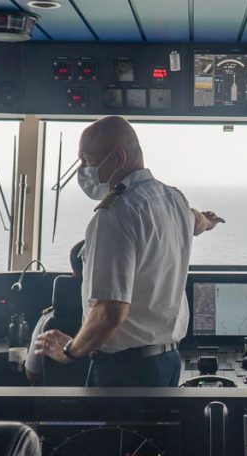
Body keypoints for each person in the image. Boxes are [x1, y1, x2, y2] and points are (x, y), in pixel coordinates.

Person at [35, 116, 224, 386]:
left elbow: (109, 312)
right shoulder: (175, 200)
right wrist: (210, 222)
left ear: (118, 157)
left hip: (125, 371)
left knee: (115, 431)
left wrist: (69, 351)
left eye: (86, 159)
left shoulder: (113, 215)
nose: (82, 169)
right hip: (168, 363)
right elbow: (197, 222)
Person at [24, 240, 85, 383]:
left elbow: (32, 373)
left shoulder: (49, 319)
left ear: (73, 274)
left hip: (55, 402)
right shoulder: (117, 322)